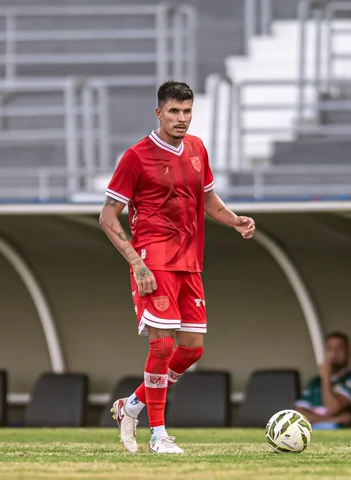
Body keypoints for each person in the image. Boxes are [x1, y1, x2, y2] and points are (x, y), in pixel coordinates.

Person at [100, 80, 256, 454]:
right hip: (153, 261)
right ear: (159, 113)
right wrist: (137, 263)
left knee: (191, 350)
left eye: (186, 111)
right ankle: (158, 434)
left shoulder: (197, 148)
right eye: (173, 111)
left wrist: (234, 219)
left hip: (190, 262)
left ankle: (130, 406)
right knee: (162, 344)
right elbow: (107, 216)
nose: (181, 118)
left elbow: (209, 200)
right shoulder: (136, 157)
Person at [295, 332, 351, 430]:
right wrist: (333, 419)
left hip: (338, 431)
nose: (334, 353)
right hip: (311, 430)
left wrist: (326, 377)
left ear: (348, 352)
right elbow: (299, 415)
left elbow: (332, 408)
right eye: (330, 348)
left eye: (339, 348)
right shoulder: (314, 382)